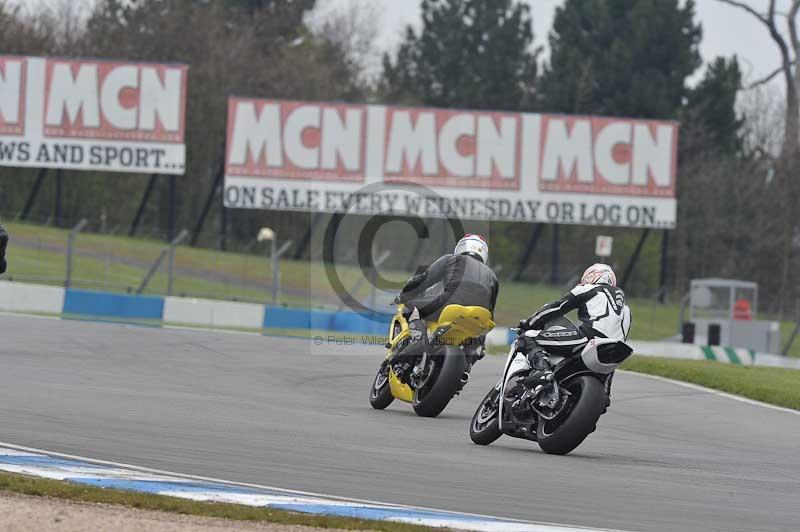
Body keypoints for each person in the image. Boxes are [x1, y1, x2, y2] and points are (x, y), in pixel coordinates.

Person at [516, 263, 631, 402]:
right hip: (615, 350)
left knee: (528, 338)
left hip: (588, 338)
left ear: (592, 276)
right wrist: (605, 393)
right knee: (610, 369)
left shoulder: (589, 288)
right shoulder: (626, 310)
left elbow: (556, 307)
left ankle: (542, 372)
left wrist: (530, 323)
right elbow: (618, 342)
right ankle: (604, 395)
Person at [393, 234, 499, 371]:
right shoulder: (492, 276)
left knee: (409, 306)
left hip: (450, 304)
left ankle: (418, 342)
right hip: (481, 317)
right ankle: (465, 369)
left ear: (460, 247)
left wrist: (406, 293)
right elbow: (491, 310)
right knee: (478, 337)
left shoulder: (451, 259)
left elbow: (425, 280)